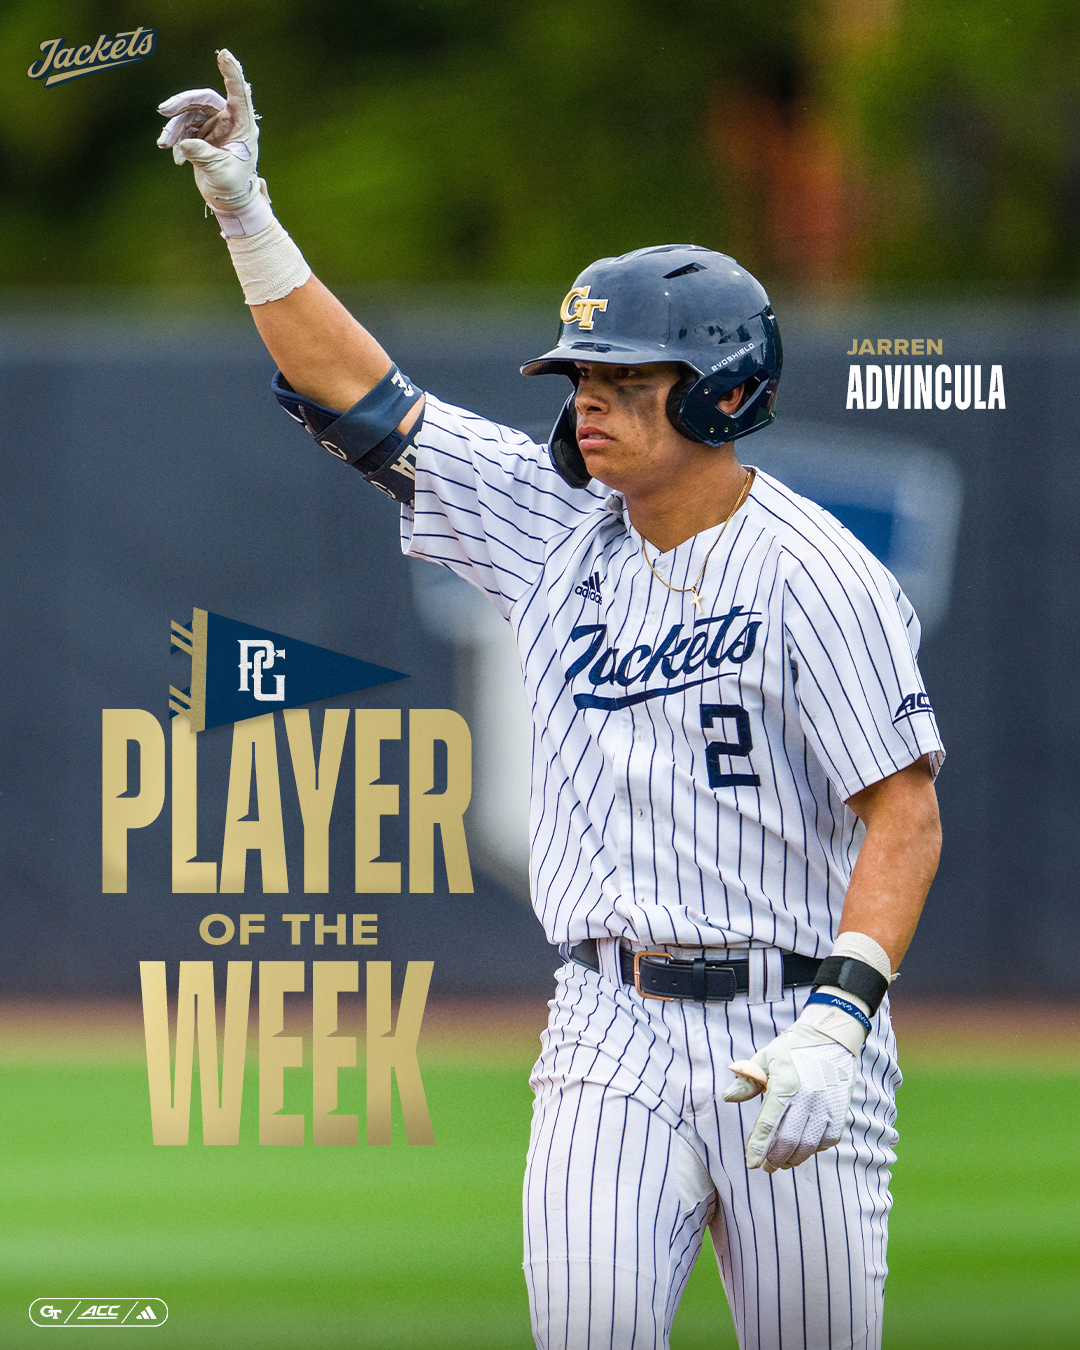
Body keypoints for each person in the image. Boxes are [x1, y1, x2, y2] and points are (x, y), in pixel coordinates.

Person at [157, 52, 944, 1350]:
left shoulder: (821, 575)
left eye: (623, 381)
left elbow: (903, 815)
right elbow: (365, 399)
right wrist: (248, 215)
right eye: (580, 380)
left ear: (721, 390)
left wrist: (840, 1019)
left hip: (793, 1016)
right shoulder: (547, 523)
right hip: (606, 1022)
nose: (588, 406)